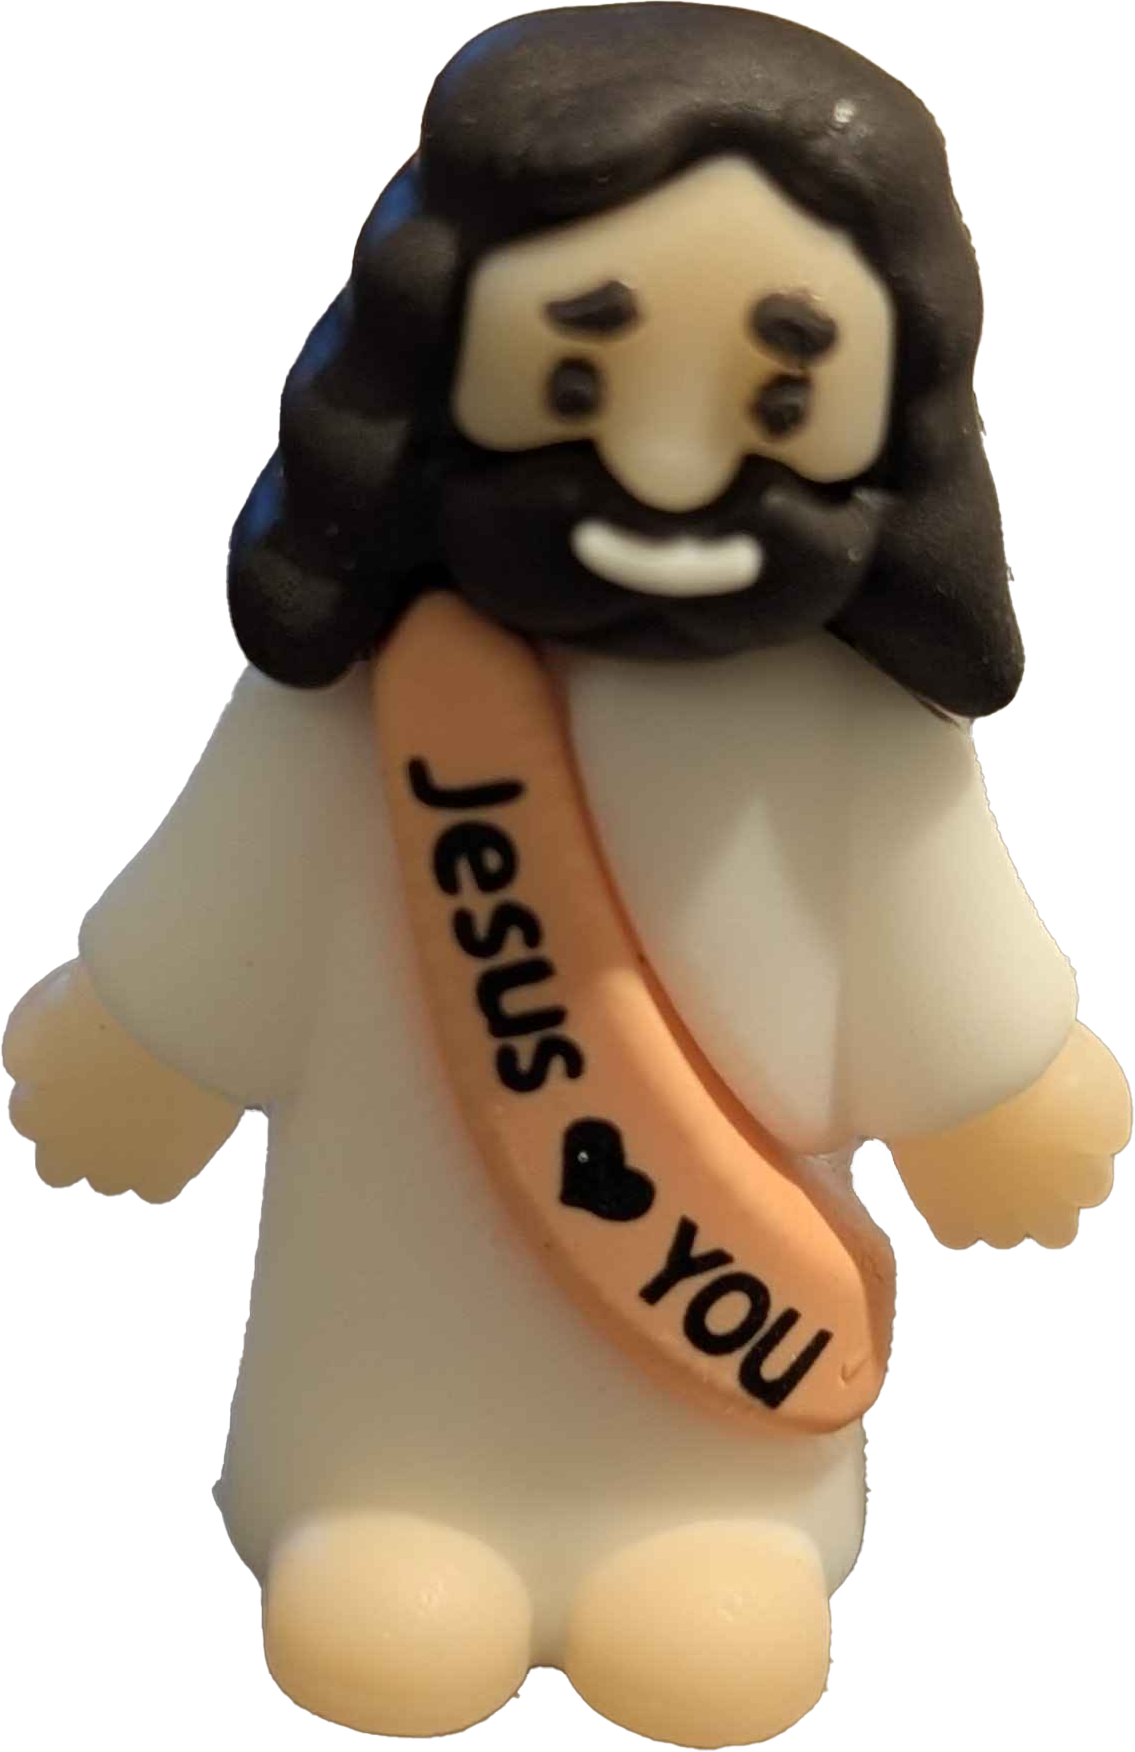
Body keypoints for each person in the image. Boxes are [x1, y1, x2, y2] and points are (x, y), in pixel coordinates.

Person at [4, 7, 1129, 1745]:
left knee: (707, 1594)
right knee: (391, 1510)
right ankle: (380, 1514)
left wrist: (993, 1080)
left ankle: (713, 1537)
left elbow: (925, 918)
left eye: (772, 396)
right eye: (581, 381)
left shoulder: (853, 721)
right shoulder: (372, 692)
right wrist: (146, 1028)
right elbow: (250, 872)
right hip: (394, 1307)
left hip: (719, 1360)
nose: (668, 473)